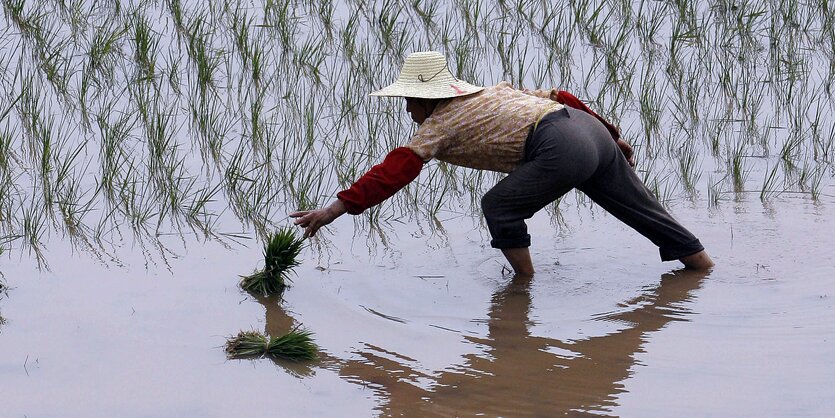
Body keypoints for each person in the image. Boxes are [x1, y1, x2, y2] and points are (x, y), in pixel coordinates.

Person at [290, 51, 714, 274]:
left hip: (558, 144)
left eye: (408, 103)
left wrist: (333, 210)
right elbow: (559, 98)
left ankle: (523, 285)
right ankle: (702, 267)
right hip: (588, 131)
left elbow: (393, 171)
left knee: (498, 207)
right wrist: (613, 136)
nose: (407, 112)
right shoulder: (494, 91)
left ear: (426, 99)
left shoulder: (438, 126)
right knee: (646, 215)